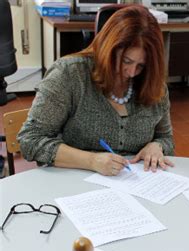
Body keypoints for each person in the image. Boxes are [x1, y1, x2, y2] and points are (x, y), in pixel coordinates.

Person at [18, 5, 174, 176]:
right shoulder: (69, 75)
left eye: (141, 66)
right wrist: (91, 161)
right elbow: (30, 140)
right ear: (108, 50)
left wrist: (157, 146)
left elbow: (166, 138)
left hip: (135, 185)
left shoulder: (152, 83)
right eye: (126, 61)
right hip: (74, 182)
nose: (131, 72)